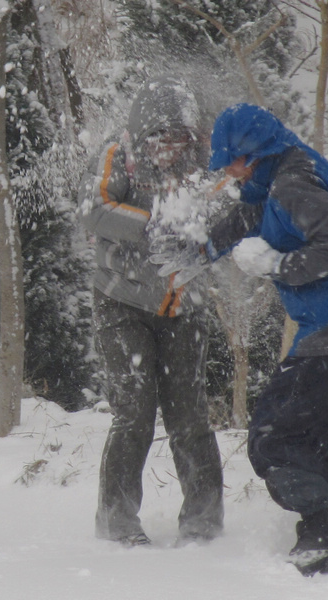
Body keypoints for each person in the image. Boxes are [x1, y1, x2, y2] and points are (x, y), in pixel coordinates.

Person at [154, 103, 328, 574]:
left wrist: (276, 266)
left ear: (255, 152)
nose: (227, 169)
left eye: (232, 160)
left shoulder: (293, 183)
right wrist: (195, 251)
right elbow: (247, 217)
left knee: (273, 435)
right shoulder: (279, 177)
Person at [77, 77, 225, 547]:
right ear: (141, 135)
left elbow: (225, 213)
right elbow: (94, 208)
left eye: (176, 137)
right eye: (158, 138)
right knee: (134, 412)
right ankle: (117, 521)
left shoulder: (205, 164)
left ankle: (203, 523)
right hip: (122, 302)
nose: (167, 147)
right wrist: (151, 226)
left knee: (189, 415)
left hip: (185, 307)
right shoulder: (116, 154)